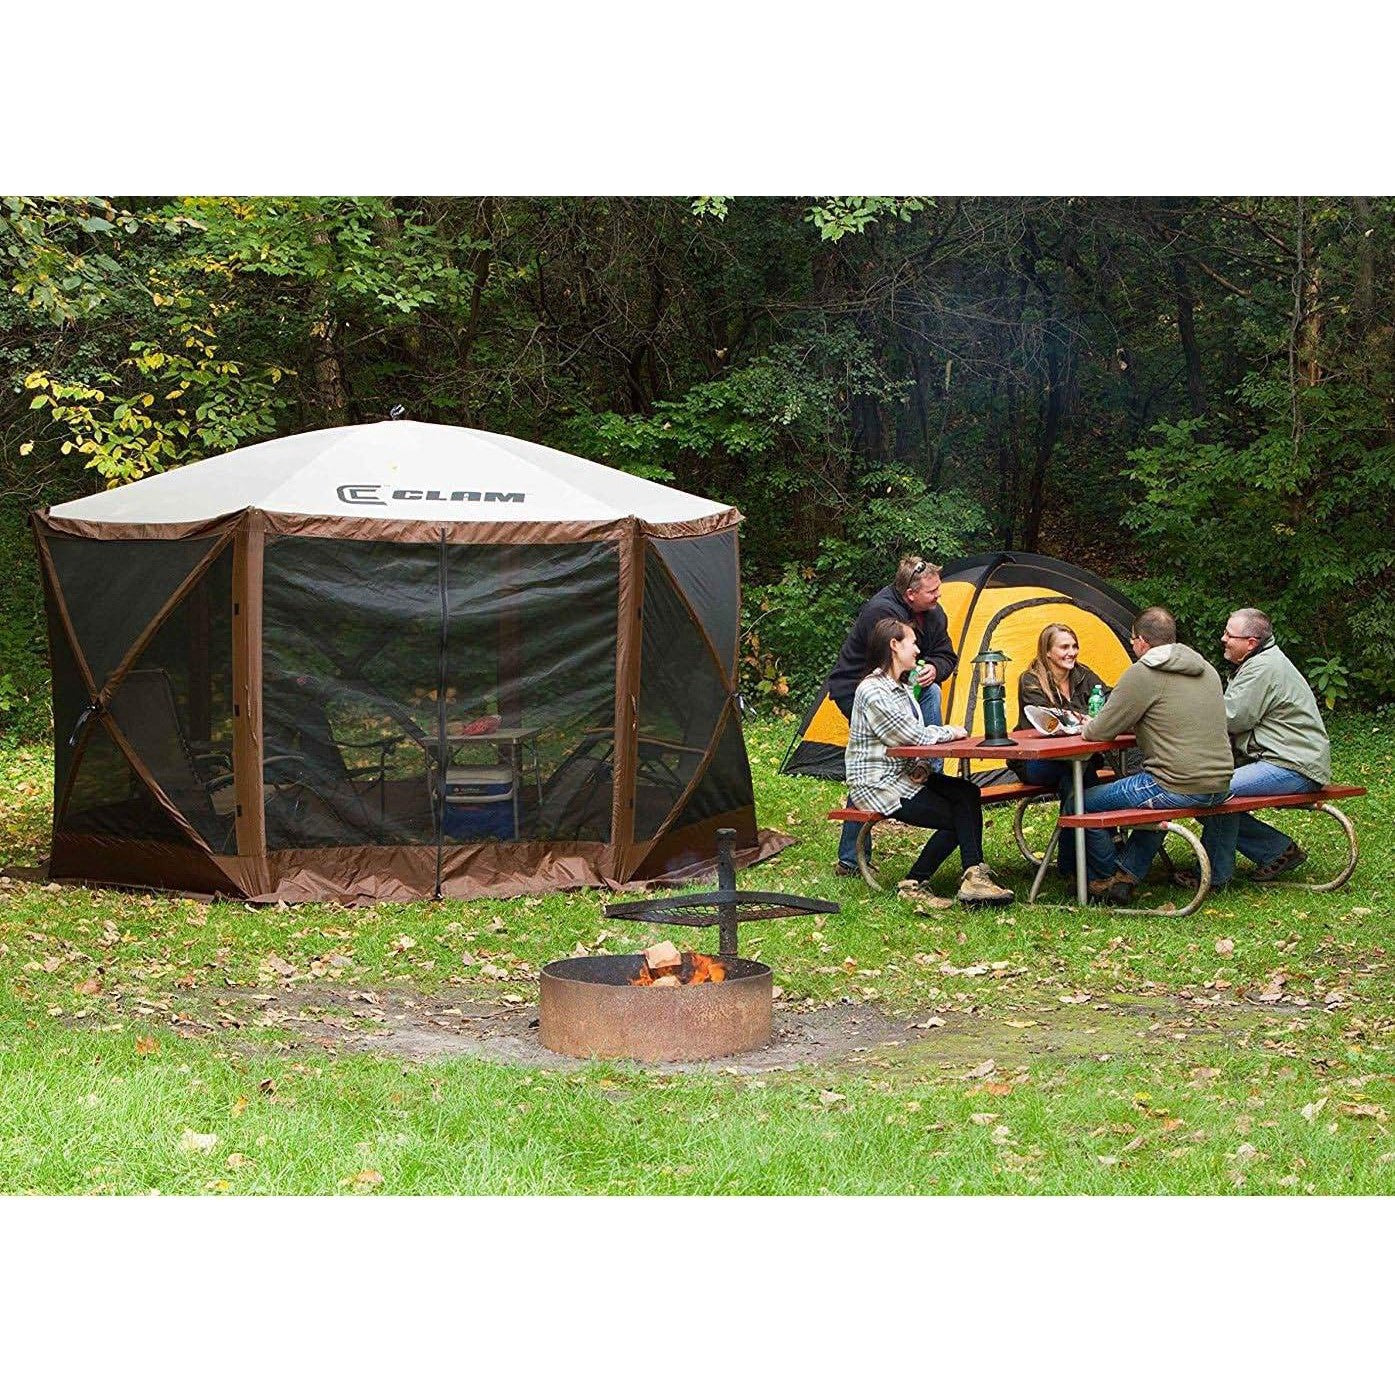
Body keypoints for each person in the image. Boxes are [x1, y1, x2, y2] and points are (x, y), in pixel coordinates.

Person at [846, 617, 1014, 910]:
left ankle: (972, 876)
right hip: (878, 783)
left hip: (904, 774)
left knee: (967, 793)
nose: (918, 649)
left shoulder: (901, 688)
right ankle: (919, 881)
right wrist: (951, 731)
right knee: (960, 818)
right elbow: (910, 736)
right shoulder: (872, 690)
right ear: (894, 645)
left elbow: (912, 741)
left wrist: (922, 764)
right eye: (912, 643)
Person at [1074, 606, 1233, 905]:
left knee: (1081, 802)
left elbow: (1099, 731)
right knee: (1153, 804)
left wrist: (1087, 724)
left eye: (1132, 640)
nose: (1132, 646)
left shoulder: (1143, 673)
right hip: (1221, 782)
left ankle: (1104, 878)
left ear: (1142, 641)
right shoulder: (1206, 668)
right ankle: (1127, 875)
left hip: (1176, 783)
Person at [1176, 608, 1330, 890]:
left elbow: (1232, 718)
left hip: (1293, 766)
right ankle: (1276, 850)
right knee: (1204, 790)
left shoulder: (1262, 668)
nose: (1223, 639)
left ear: (1251, 642)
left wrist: (1178, 714)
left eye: (1229, 635)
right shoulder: (1262, 661)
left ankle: (1214, 876)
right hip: (1287, 760)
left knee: (1213, 789)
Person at [827, 556, 958, 875]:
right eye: (932, 591)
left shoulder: (934, 613)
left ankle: (928, 768)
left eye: (938, 589)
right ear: (910, 594)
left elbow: (947, 656)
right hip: (859, 688)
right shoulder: (881, 612)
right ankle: (850, 858)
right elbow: (886, 666)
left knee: (932, 690)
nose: (938, 595)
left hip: (901, 686)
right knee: (870, 760)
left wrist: (933, 668)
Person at [1007, 622, 1111, 878]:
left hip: (1076, 759)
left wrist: (1088, 717)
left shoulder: (1083, 674)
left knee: (1076, 779)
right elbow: (1049, 720)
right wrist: (1088, 717)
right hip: (1037, 762)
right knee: (1079, 778)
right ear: (1047, 652)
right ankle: (1095, 860)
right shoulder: (1031, 680)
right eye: (1064, 647)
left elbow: (1111, 700)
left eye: (1074, 646)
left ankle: (1074, 866)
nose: (1072, 652)